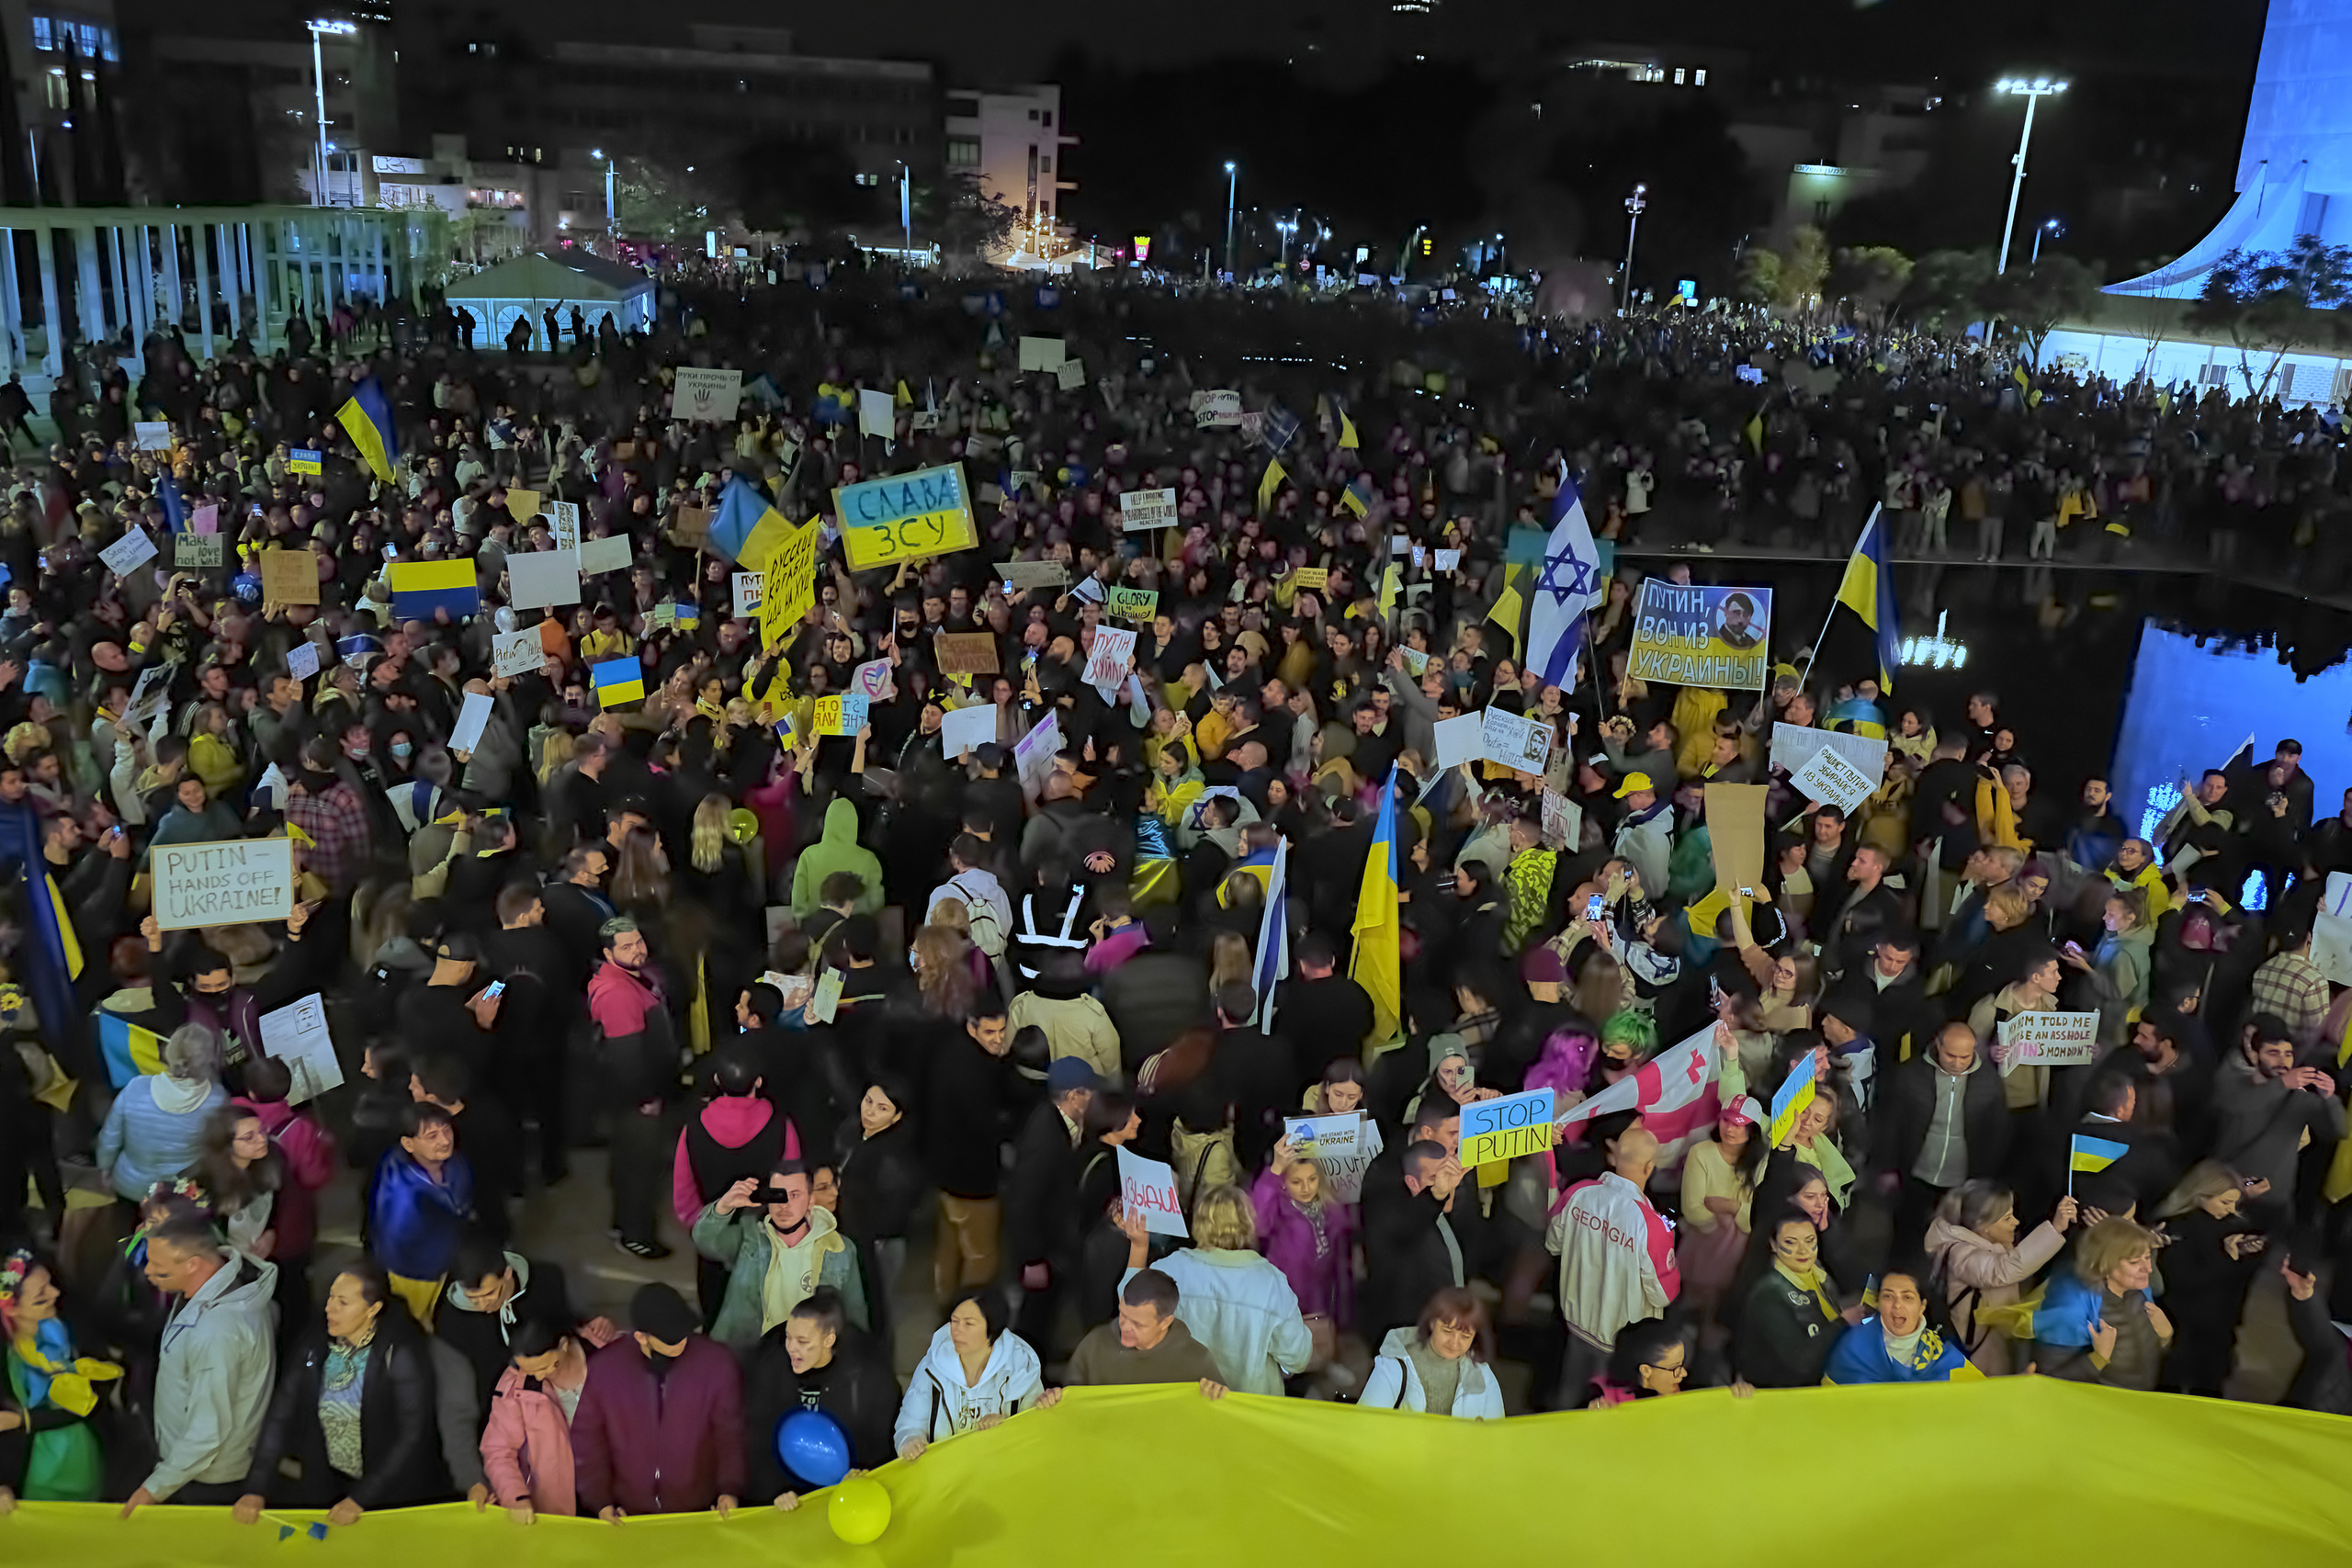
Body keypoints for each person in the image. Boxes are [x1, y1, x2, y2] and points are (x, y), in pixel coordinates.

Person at [232, 1257, 446, 1524]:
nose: (330, 1309)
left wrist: (362, 1498)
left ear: (373, 1309)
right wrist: (256, 1487)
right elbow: (281, 1413)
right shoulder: (315, 1343)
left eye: (343, 1303)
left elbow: (412, 1433)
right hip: (325, 1486)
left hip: (387, 1498)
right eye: (331, 1298)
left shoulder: (401, 1352)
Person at [121, 1208, 278, 1513]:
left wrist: (154, 1489)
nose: (148, 1272)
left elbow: (207, 1432)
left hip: (205, 1475)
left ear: (194, 1264)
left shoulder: (217, 1332)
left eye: (160, 1267)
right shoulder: (225, 1281)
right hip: (190, 1461)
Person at [1116, 1184, 1314, 1396]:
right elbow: (1297, 1360)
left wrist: (1138, 1247)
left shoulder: (1170, 1269)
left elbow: (1130, 1308)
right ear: (1248, 1223)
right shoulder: (1272, 1284)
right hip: (1248, 1414)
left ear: (1199, 1223)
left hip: (1184, 1405)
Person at [570, 1283, 744, 1521]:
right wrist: (599, 1501)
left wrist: (730, 1489)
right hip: (629, 1514)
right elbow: (589, 1440)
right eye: (671, 1339)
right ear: (641, 1337)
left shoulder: (718, 1364)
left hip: (698, 1510)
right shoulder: (604, 1370)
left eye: (684, 1332)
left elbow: (730, 1433)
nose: (682, 1342)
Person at [1545, 1124, 1679, 1403]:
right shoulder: (1653, 1226)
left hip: (1575, 1324)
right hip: (1621, 1342)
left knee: (1568, 1394)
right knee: (1609, 1407)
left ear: (1615, 1157)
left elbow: (1553, 1244)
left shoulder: (1577, 1193)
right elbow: (1663, 1294)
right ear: (1650, 1167)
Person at [743, 1288, 901, 1509]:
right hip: (788, 1498)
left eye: (803, 1341)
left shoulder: (869, 1371)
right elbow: (756, 1434)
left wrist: (865, 1476)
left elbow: (883, 1438)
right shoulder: (770, 1363)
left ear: (828, 1340)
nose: (792, 1348)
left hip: (850, 1495)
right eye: (788, 1337)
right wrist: (774, 1493)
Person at [690, 1160, 867, 1355]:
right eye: (778, 1195)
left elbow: (854, 1313)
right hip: (743, 1350)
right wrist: (723, 1207)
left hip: (803, 1356)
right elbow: (705, 1241)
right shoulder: (751, 1236)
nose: (784, 1205)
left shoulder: (839, 1249)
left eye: (795, 1195)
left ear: (810, 1201)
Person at [0, 1249, 120, 1500]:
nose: (55, 1294)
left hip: (84, 1463)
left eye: (51, 1285)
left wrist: (26, 1420)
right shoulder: (6, 1356)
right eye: (41, 1296)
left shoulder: (77, 1332)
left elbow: (95, 1400)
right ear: (12, 1309)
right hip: (27, 1477)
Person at [1924, 1180, 2079, 1375]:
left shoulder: (1993, 1244)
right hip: (1979, 1358)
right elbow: (2005, 1269)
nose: (2016, 1222)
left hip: (1998, 1346)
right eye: (2007, 1218)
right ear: (1983, 1226)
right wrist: (2055, 1228)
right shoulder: (1961, 1256)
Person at [2150, 1161, 2263, 1398]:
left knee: (2211, 1386)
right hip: (2184, 1326)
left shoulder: (2235, 1225)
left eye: (2235, 1203)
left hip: (2219, 1327)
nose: (2231, 1209)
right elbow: (2182, 1281)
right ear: (2200, 1195)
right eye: (2225, 1202)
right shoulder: (2174, 1228)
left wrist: (2247, 1254)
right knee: (2170, 1387)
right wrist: (2228, 1260)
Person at [894, 1288, 1046, 1461]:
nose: (957, 1330)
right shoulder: (932, 1368)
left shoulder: (1019, 1366)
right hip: (948, 1473)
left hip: (1004, 1470)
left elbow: (1036, 1429)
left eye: (969, 1324)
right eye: (954, 1321)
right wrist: (909, 1441)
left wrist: (1006, 1426)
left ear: (992, 1329)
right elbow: (909, 1424)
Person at [2029, 1217, 2174, 1391]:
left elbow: (2143, 1355)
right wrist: (2098, 1359)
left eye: (2147, 1257)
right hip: (2102, 1410)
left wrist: (2166, 1338)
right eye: (2134, 1262)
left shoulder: (2140, 1290)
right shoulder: (2072, 1308)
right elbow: (2046, 1382)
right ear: (2104, 1264)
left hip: (2142, 1402)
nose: (2148, 1269)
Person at [480, 1314, 595, 1524]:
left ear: (563, 1345)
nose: (540, 1377)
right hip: (554, 1510)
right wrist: (516, 1497)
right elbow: (498, 1450)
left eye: (546, 1366)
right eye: (530, 1370)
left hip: (612, 1500)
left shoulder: (604, 1355)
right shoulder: (513, 1386)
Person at [369, 1101, 476, 1325]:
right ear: (408, 1143)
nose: (445, 1140)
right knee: (417, 1320)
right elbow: (399, 1242)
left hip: (447, 1255)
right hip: (416, 1270)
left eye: (446, 1130)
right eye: (432, 1136)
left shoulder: (450, 1161)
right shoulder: (404, 1199)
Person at [96, 1023, 228, 1201]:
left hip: (129, 1185)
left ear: (169, 1052)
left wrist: (103, 1168)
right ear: (209, 1060)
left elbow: (110, 1137)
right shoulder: (218, 1098)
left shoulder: (136, 1087)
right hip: (181, 1191)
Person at [1059, 1268, 1229, 1392]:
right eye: (1123, 1315)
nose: (1125, 1327)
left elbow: (1217, 1413)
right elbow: (1068, 1402)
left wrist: (1217, 1394)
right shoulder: (1094, 1345)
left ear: (1165, 1322)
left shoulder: (1197, 1360)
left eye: (1137, 1324)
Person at [1734, 1206, 1848, 1389]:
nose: (1803, 1251)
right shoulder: (1769, 1293)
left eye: (1810, 1241)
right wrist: (1842, 1322)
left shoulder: (1819, 1275)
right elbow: (1801, 1362)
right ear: (1773, 1245)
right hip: (1779, 1395)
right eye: (1791, 1243)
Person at [1358, 1286, 1505, 1417]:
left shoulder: (1483, 1375)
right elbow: (1366, 1424)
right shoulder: (1394, 1365)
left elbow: (1495, 1438)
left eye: (1465, 1336)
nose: (1455, 1342)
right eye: (1447, 1331)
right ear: (1432, 1323)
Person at [1820, 1263, 1977, 1383]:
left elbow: (1978, 1399)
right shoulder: (1853, 1348)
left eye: (1907, 1297)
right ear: (1878, 1303)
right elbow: (1830, 1403)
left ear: (1922, 1306)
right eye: (1888, 1297)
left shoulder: (1945, 1358)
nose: (1897, 1305)